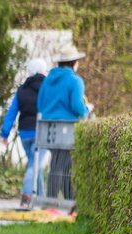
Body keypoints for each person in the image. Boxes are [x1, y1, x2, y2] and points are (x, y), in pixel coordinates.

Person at [36, 43, 94, 202]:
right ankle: (60, 202)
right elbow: (77, 106)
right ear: (74, 63)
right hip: (66, 131)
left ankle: (60, 201)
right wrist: (87, 109)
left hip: (47, 131)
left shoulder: (47, 80)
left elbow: (40, 105)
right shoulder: (75, 80)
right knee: (64, 167)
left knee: (58, 165)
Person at [0, 57, 49, 207]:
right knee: (34, 166)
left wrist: (4, 133)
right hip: (43, 132)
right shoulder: (48, 89)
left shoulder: (21, 90)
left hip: (25, 134)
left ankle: (41, 199)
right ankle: (27, 195)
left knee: (35, 166)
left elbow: (11, 112)